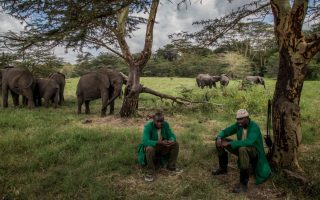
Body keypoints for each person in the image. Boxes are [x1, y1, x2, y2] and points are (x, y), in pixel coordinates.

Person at [212, 109, 271, 193]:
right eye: (238, 119)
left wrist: (229, 143)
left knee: (242, 149)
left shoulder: (254, 126)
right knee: (220, 141)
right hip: (242, 148)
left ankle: (243, 185)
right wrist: (219, 137)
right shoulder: (239, 125)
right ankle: (223, 168)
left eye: (241, 119)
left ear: (247, 118)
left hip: (254, 152)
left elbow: (249, 142)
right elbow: (227, 131)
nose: (239, 121)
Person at [138, 112, 182, 182]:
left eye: (161, 121)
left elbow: (171, 134)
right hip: (153, 147)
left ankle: (171, 166)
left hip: (162, 146)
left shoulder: (165, 125)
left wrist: (171, 140)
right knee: (149, 149)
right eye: (157, 121)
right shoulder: (148, 126)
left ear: (163, 121)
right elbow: (145, 141)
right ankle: (151, 172)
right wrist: (158, 142)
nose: (159, 123)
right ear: (154, 120)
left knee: (175, 144)